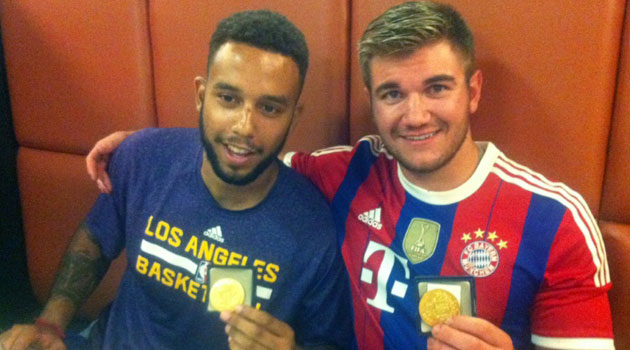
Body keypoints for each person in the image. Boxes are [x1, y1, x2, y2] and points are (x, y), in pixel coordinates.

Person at [82, 2, 615, 350]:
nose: (415, 115)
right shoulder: (343, 172)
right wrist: (143, 147)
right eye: (392, 93)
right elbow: (243, 149)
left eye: (436, 88)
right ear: (373, 102)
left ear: (473, 91)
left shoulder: (554, 220)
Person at [0, 10, 355, 350]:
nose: (245, 127)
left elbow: (331, 342)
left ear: (294, 118)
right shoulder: (144, 156)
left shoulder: (313, 230)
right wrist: (51, 324)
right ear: (201, 96)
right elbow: (95, 238)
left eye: (270, 108)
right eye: (228, 98)